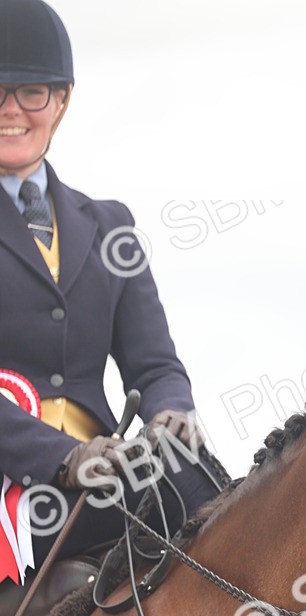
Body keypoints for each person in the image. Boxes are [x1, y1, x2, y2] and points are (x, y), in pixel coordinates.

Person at [0, 0, 222, 585]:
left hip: (105, 475)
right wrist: (63, 458)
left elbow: (154, 365)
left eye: (31, 93)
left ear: (62, 100)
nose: (11, 111)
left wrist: (171, 410)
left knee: (207, 490)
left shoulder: (108, 225)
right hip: (17, 491)